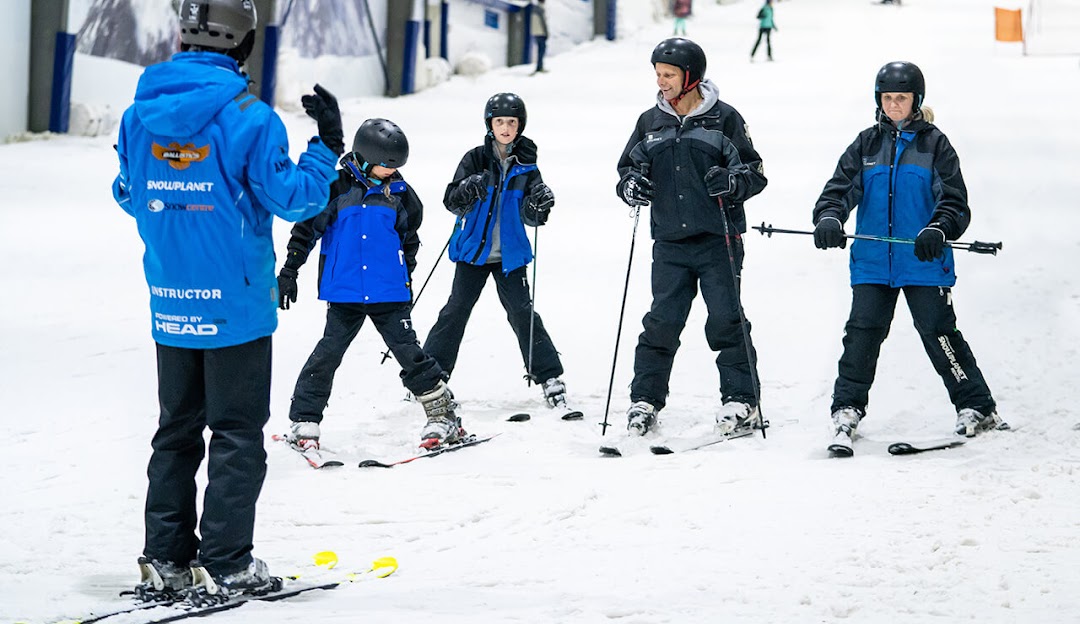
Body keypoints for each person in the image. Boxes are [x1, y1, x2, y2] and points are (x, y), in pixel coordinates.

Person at [112, 0, 343, 600]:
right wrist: (326, 148)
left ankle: (165, 559)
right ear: (242, 45)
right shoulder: (250, 117)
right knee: (237, 435)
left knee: (176, 431)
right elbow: (295, 199)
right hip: (235, 306)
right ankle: (226, 562)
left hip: (171, 300)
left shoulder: (139, 115)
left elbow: (129, 192)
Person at [812, 61, 1005, 457]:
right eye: (887, 98)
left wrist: (939, 228)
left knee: (939, 332)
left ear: (916, 100)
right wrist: (829, 218)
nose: (894, 105)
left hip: (922, 260)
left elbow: (954, 201)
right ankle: (847, 408)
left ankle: (976, 406)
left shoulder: (935, 145)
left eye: (901, 98)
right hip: (872, 261)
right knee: (861, 334)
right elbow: (838, 190)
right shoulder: (866, 144)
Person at [277, 119, 465, 448]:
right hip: (345, 291)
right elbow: (306, 232)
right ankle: (304, 420)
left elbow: (409, 241)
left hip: (388, 293)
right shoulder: (335, 189)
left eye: (395, 167)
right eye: (384, 166)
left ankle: (443, 417)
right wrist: (289, 271)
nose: (390, 172)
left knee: (410, 354)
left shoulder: (401, 194)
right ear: (364, 158)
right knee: (328, 353)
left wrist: (404, 278)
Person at [615, 38, 768, 436]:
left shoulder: (725, 119)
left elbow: (754, 172)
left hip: (719, 240)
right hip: (669, 242)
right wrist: (632, 185)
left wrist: (732, 183)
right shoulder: (651, 121)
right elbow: (628, 169)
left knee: (725, 321)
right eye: (658, 75)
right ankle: (644, 400)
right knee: (661, 323)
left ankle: (741, 401)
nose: (661, 82)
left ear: (690, 77)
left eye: (668, 75)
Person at [423, 93, 571, 415]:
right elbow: (452, 201)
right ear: (490, 124)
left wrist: (538, 204)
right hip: (474, 253)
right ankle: (429, 377)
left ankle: (549, 377)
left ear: (520, 126)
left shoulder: (528, 166)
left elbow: (533, 218)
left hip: (509, 255)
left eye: (512, 122)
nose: (506, 128)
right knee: (455, 311)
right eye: (500, 121)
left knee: (522, 313)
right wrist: (468, 187)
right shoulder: (475, 158)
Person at [531, 0, 549, 74]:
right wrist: (546, 33)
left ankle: (539, 67)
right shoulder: (541, 9)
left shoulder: (534, 9)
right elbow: (543, 22)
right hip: (541, 33)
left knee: (539, 50)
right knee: (542, 50)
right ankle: (540, 67)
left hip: (535, 33)